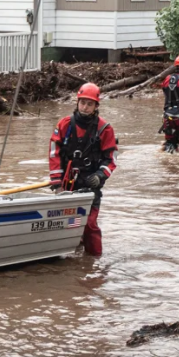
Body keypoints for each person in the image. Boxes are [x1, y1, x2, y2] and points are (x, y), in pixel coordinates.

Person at [48, 83, 118, 256]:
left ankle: (95, 260)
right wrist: (57, 184)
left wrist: (100, 175)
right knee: (66, 223)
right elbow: (54, 154)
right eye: (82, 103)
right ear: (77, 102)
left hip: (90, 185)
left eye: (90, 104)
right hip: (67, 185)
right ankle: (73, 257)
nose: (85, 107)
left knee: (89, 224)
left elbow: (111, 159)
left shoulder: (104, 129)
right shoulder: (64, 125)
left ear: (96, 106)